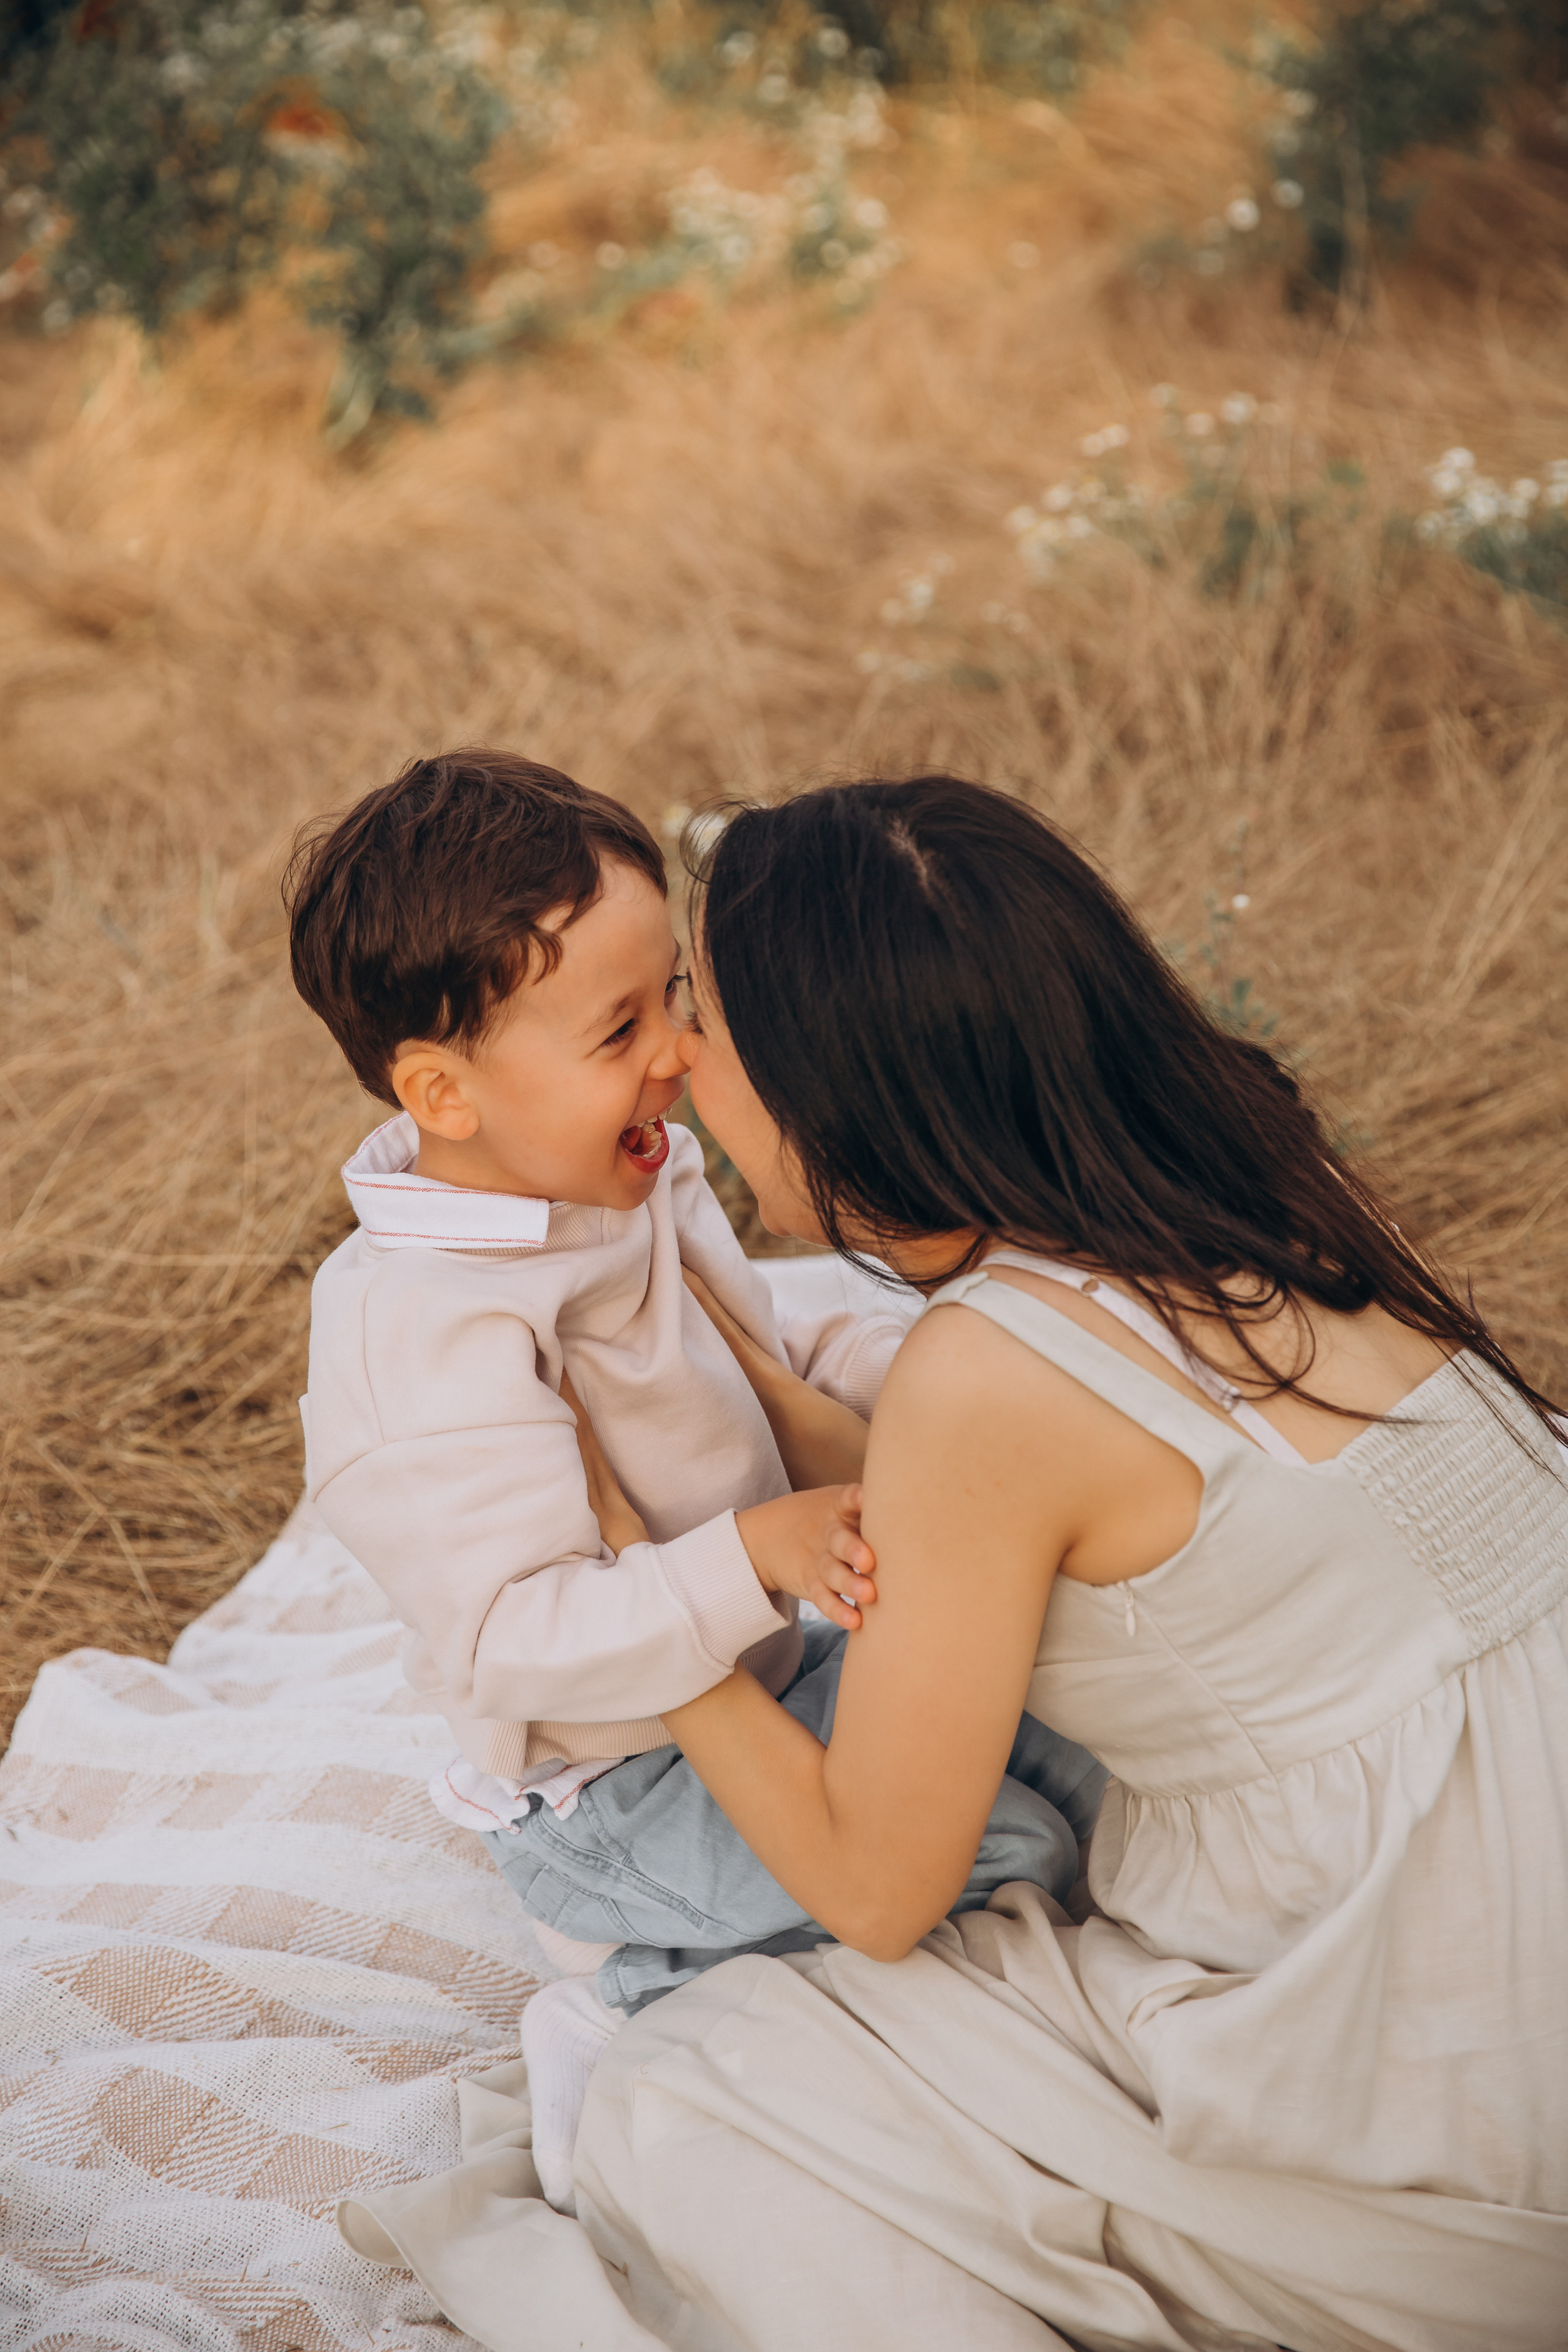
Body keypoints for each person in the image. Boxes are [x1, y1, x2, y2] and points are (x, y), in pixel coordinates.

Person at [341, 772, 1568, 2352]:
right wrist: (785, 1417)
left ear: (834, 1083)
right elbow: (1081, 1501)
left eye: (701, 1015)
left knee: (687, 2102)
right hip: (1515, 1877)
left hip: (1414, 2074)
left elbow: (871, 1886)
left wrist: (654, 1577)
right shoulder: (1243, 1189)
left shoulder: (986, 1379)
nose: (679, 1062)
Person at [285, 752, 1102, 2209]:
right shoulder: (416, 1333)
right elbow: (509, 1634)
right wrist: (751, 1558)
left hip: (774, 1660)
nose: (676, 1050)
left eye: (675, 997)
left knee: (1077, 1742)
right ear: (442, 1094)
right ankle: (629, 2007)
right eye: (621, 1026)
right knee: (1004, 1852)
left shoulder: (623, 1165)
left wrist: (922, 1386)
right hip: (620, 1792)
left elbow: (756, 1342)